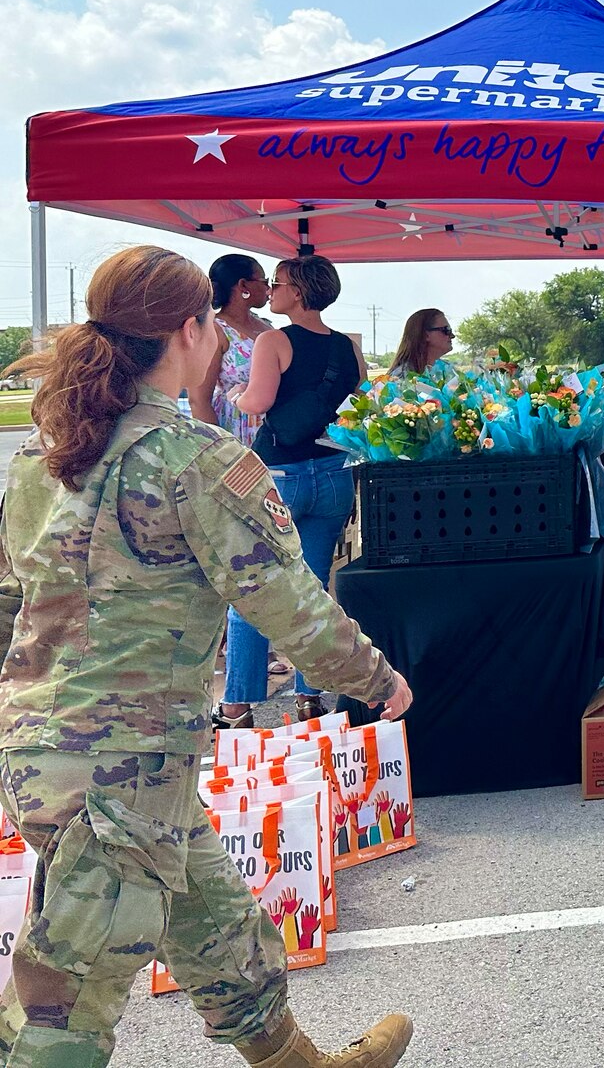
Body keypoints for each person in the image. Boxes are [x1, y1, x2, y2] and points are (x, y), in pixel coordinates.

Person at [0, 244, 414, 1067]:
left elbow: (9, 607)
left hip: (62, 759)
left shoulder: (42, 461)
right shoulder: (196, 461)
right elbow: (285, 601)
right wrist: (377, 678)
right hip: (119, 775)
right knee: (64, 1008)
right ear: (190, 331)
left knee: (218, 927)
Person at [223, 255, 368, 726]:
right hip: (332, 473)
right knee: (314, 589)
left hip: (280, 476)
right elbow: (361, 403)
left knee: (253, 586)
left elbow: (258, 401)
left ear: (299, 291)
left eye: (278, 282)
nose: (272, 288)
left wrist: (234, 396)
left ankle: (239, 703)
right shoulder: (348, 346)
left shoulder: (273, 340)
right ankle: (310, 697)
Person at [191, 254, 273, 446]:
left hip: (275, 435)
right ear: (243, 285)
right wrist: (220, 450)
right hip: (235, 432)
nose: (269, 288)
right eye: (264, 281)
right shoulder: (215, 330)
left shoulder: (267, 327)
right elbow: (198, 400)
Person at [386, 308, 454, 377]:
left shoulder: (448, 371)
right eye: (446, 330)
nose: (452, 336)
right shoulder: (399, 379)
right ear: (426, 335)